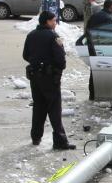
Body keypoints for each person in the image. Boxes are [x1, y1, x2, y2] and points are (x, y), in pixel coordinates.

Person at [23, 11, 76, 150]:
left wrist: (37, 62)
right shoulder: (53, 36)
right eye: (53, 20)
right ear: (47, 22)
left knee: (38, 107)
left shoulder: (31, 35)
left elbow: (26, 55)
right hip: (50, 78)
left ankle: (36, 137)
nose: (55, 23)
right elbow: (60, 59)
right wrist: (53, 67)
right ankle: (60, 141)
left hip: (35, 77)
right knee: (54, 109)